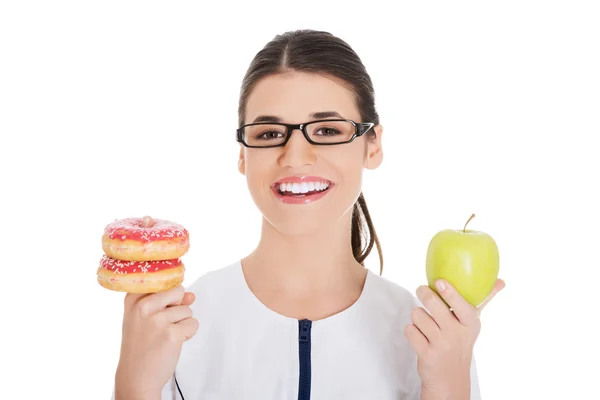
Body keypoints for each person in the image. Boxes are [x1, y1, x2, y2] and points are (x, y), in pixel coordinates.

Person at [112, 29, 505, 400]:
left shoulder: (431, 337)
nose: (296, 156)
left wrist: (450, 385)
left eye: (328, 130)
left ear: (373, 145)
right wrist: (134, 382)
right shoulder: (177, 325)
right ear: (242, 155)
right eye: (268, 134)